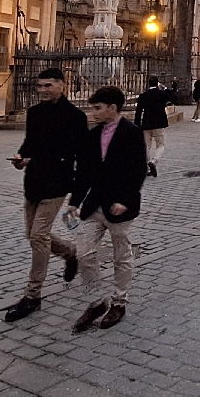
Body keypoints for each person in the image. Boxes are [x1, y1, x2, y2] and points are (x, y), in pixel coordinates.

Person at [3, 68, 86, 323]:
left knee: (38, 236)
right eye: (39, 86)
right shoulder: (34, 113)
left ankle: (33, 295)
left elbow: (82, 158)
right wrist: (21, 158)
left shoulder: (74, 116)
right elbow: (30, 144)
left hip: (57, 184)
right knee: (33, 234)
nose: (43, 90)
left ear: (62, 85)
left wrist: (77, 197)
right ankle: (70, 252)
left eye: (48, 85)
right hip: (34, 182)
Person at [66, 86, 148, 332]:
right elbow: (84, 173)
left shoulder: (132, 133)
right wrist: (74, 201)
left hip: (120, 207)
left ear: (112, 108)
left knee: (121, 256)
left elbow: (138, 170)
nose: (93, 112)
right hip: (94, 204)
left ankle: (119, 302)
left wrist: (125, 199)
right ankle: (97, 301)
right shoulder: (92, 136)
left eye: (97, 108)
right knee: (84, 253)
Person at [135, 76, 171, 178]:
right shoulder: (162, 94)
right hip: (159, 123)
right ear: (157, 83)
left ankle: (147, 167)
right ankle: (154, 161)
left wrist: (137, 124)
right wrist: (164, 88)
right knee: (161, 144)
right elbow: (173, 96)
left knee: (146, 146)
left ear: (148, 83)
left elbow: (138, 112)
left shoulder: (143, 95)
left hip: (146, 123)